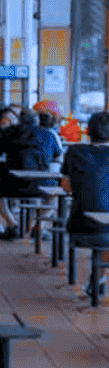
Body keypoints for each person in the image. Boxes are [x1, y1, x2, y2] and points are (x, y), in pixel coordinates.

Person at [62, 112, 109, 295]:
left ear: (87, 131)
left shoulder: (74, 152)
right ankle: (98, 278)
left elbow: (66, 187)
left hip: (78, 227)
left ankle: (98, 278)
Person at [0, 108, 50, 239]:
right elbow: (58, 157)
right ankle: (37, 225)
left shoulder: (8, 132)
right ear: (37, 121)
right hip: (41, 187)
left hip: (11, 185)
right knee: (57, 195)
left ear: (20, 120)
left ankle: (12, 223)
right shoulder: (47, 134)